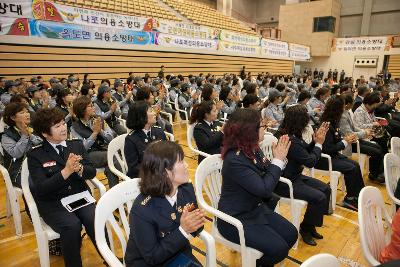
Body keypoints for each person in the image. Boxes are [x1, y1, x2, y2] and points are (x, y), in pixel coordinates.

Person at [218, 108, 298, 267]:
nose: (265, 129)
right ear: (249, 131)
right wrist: (278, 161)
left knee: (291, 234)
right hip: (235, 219)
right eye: (262, 127)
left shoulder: (253, 149)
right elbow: (265, 189)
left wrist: (278, 159)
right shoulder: (235, 160)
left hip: (255, 209)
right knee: (278, 248)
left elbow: (269, 173)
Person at [27, 108, 101, 267]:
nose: (63, 128)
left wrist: (79, 168)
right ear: (45, 134)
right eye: (57, 126)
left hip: (79, 196)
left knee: (95, 218)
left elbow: (91, 172)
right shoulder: (35, 155)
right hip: (54, 202)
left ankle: (109, 257)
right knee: (71, 225)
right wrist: (66, 171)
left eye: (63, 123)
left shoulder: (76, 144)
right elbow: (42, 189)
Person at [124, 141, 205, 266]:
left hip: (178, 253)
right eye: (181, 161)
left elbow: (197, 228)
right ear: (165, 172)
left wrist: (195, 222)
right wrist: (183, 230)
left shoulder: (186, 189)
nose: (187, 165)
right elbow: (152, 257)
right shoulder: (142, 209)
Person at [275, 105, 331, 246]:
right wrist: (319, 145)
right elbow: (310, 161)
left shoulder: (292, 133)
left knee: (326, 189)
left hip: (295, 177)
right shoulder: (289, 139)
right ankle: (305, 229)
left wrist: (314, 141)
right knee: (319, 197)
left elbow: (304, 150)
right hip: (285, 183)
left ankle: (309, 225)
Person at [315, 97, 365, 211]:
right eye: (341, 107)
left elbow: (334, 140)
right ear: (337, 110)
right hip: (323, 159)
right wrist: (344, 142)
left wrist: (344, 139)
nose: (343, 109)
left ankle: (359, 195)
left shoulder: (333, 122)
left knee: (355, 165)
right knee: (351, 168)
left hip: (332, 156)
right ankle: (350, 199)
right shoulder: (326, 125)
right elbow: (327, 149)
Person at [71, 96, 120, 188]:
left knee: (110, 166)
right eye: (90, 106)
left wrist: (100, 131)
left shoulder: (99, 119)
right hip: (89, 154)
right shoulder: (75, 127)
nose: (93, 107)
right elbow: (81, 147)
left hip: (103, 149)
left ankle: (115, 193)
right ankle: (128, 179)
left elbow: (111, 138)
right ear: (82, 110)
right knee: (111, 155)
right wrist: (94, 133)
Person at [340, 93, 385, 183]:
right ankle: (374, 174)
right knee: (376, 151)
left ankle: (377, 172)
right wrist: (364, 132)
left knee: (378, 147)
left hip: (356, 139)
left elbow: (354, 127)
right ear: (348, 104)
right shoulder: (343, 116)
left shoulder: (346, 112)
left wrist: (364, 132)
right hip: (350, 143)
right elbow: (350, 134)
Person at [2, 102, 42, 187]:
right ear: (13, 117)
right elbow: (16, 154)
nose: (27, 114)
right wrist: (24, 135)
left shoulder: (31, 127)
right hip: (18, 170)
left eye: (27, 111)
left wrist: (30, 135)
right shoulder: (6, 136)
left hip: (36, 164)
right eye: (22, 112)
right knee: (35, 185)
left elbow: (41, 143)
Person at [125, 101, 166, 178]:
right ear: (141, 116)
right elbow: (134, 168)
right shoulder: (131, 139)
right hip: (143, 179)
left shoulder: (159, 131)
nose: (154, 113)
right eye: (150, 111)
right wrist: (155, 170)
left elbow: (167, 153)